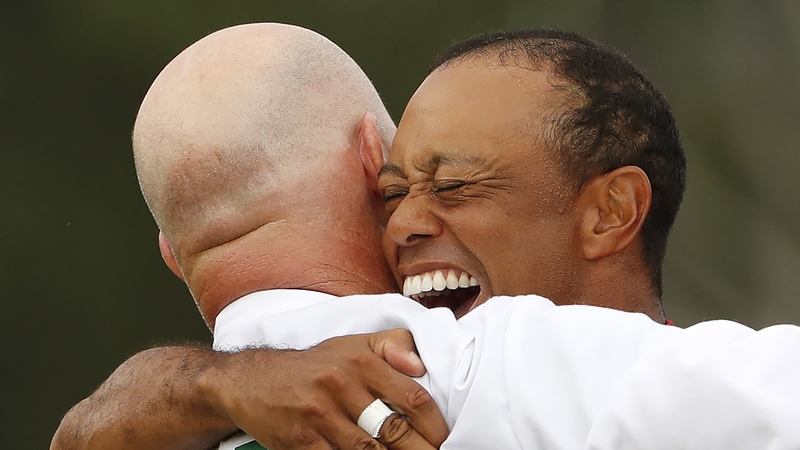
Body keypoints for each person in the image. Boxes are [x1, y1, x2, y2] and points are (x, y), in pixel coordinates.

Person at [52, 25, 800, 450]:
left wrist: (209, 384)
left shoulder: (501, 368)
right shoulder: (363, 382)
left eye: (454, 186)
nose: (405, 223)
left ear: (610, 212)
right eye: (391, 193)